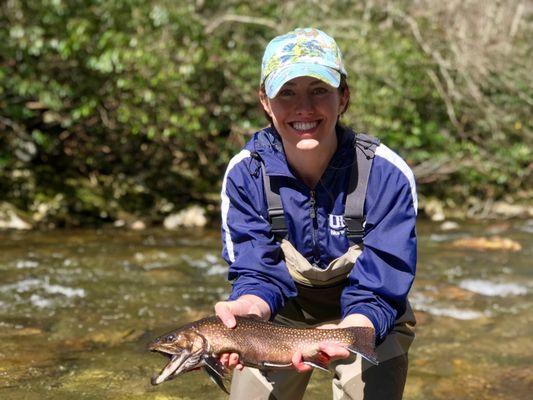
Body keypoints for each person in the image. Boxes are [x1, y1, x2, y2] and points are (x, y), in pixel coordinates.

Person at [215, 27, 417, 400]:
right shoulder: (245, 174)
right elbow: (256, 273)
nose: (303, 108)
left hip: (369, 318)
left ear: (343, 97)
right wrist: (246, 310)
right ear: (265, 100)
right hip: (279, 322)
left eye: (318, 90)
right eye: (287, 92)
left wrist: (353, 331)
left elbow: (382, 286)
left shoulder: (386, 174)